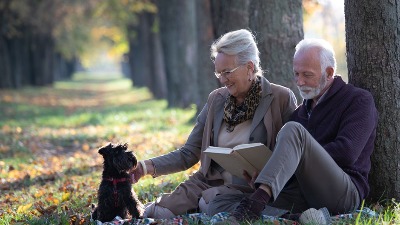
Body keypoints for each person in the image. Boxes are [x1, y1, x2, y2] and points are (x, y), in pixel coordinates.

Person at [129, 29, 297, 218]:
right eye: (219, 73)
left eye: (227, 72)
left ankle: (271, 214)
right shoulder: (216, 99)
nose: (223, 80)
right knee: (156, 212)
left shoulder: (280, 98)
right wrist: (144, 167)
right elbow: (188, 153)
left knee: (210, 204)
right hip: (207, 182)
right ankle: (200, 207)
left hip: (250, 189)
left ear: (249, 67)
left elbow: (292, 153)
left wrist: (266, 179)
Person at [210, 38, 378, 223]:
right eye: (296, 74)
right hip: (303, 194)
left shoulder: (358, 100)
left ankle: (255, 205)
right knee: (220, 203)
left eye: (307, 75)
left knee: (293, 131)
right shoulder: (300, 112)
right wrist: (265, 174)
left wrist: (300, 156)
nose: (299, 81)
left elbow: (347, 153)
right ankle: (295, 218)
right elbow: (289, 162)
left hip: (342, 193)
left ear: (329, 73)